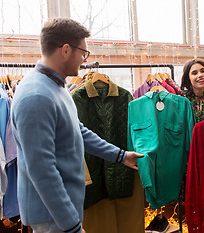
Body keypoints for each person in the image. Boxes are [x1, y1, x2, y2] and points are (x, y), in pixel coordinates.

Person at [11, 18, 143, 233]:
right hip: (52, 215)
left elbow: (78, 131)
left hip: (63, 210)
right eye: (83, 53)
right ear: (65, 50)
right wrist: (70, 225)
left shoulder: (56, 86)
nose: (84, 60)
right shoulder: (36, 96)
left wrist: (120, 156)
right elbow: (42, 170)